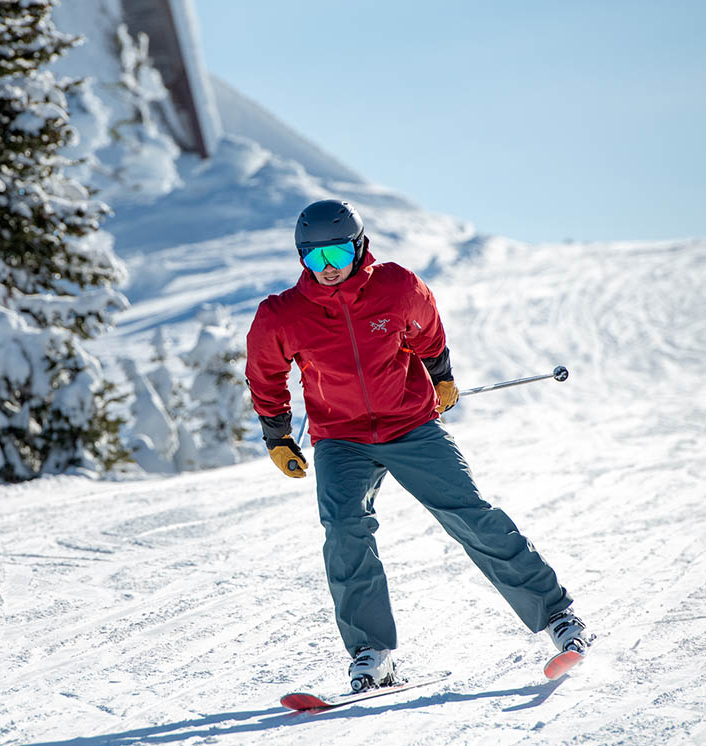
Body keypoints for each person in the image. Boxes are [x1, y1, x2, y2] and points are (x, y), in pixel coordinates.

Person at [245, 198, 588, 690]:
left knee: (470, 514)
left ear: (359, 248)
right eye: (314, 258)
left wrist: (441, 375)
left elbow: (428, 331)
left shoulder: (396, 286)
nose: (326, 269)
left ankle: (559, 617)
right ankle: (371, 653)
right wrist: (277, 436)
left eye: (337, 256)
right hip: (341, 438)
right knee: (344, 532)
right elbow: (266, 375)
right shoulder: (282, 315)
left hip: (410, 424)